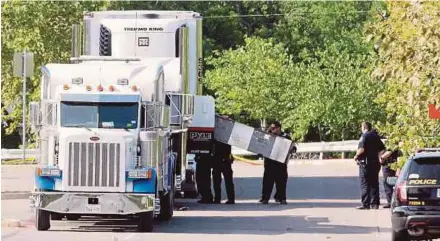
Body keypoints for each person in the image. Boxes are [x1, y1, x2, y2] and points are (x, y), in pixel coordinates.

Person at [259, 121, 294, 205]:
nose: (272, 129)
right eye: (271, 128)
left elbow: (292, 147)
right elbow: (261, 145)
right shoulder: (267, 136)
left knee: (281, 182)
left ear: (279, 128)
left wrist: (292, 150)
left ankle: (281, 198)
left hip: (280, 163)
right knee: (267, 182)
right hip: (269, 163)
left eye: (274, 128)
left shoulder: (285, 136)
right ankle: (265, 198)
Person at [354, 122, 386, 210]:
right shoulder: (375, 136)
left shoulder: (364, 136)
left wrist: (356, 156)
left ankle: (366, 204)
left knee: (364, 183)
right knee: (374, 183)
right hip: (375, 163)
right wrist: (378, 156)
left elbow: (361, 149)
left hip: (365, 163)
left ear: (364, 127)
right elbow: (382, 149)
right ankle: (375, 204)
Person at [379, 142, 403, 208]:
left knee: (387, 182)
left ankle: (390, 202)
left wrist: (382, 157)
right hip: (391, 164)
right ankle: (392, 201)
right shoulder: (394, 140)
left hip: (389, 164)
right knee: (390, 182)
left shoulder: (393, 141)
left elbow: (390, 151)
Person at [212, 139, 235, 204]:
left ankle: (217, 199)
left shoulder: (216, 135)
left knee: (217, 180)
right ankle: (231, 199)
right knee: (228, 181)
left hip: (218, 159)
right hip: (226, 159)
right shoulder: (226, 135)